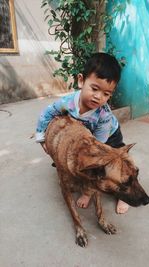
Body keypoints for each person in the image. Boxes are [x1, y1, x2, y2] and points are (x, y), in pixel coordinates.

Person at [36, 52, 129, 214]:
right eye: (94, 88)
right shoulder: (67, 103)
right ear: (81, 81)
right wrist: (41, 136)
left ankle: (118, 193)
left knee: (115, 164)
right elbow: (47, 113)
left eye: (106, 94)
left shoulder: (104, 115)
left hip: (109, 136)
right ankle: (86, 187)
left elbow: (97, 147)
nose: (98, 97)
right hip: (87, 136)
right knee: (83, 163)